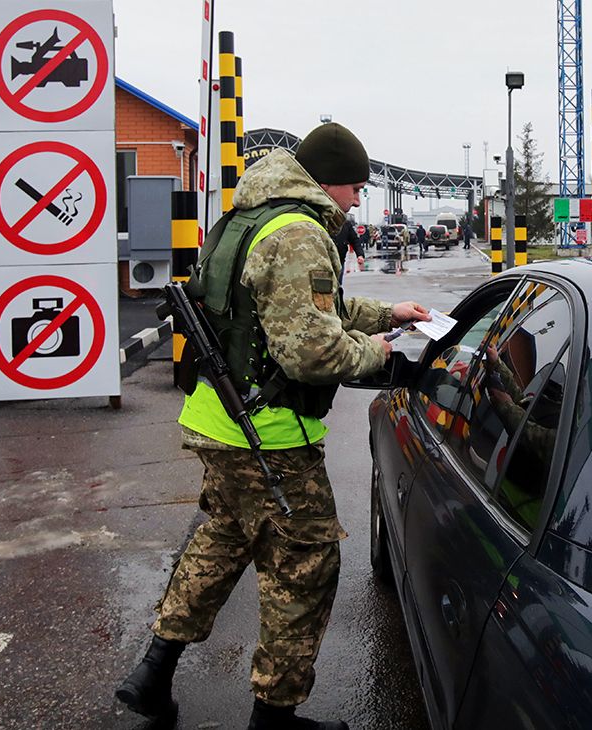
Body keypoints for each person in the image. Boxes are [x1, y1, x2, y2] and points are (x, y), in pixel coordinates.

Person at [115, 122, 430, 730]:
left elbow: (315, 311)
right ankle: (275, 717)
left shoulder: (252, 217)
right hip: (271, 433)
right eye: (356, 187)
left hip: (222, 420)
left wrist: (390, 312)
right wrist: (383, 354)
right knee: (305, 568)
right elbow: (312, 353)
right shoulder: (300, 233)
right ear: (330, 181)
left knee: (220, 544)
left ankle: (151, 675)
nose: (360, 199)